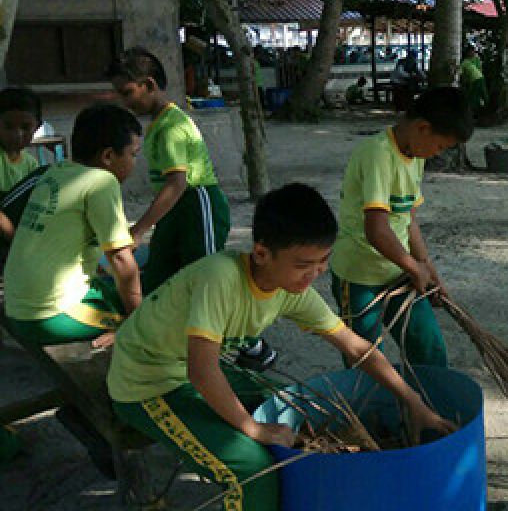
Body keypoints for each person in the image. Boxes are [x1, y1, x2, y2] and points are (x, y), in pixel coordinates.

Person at [107, 183, 455, 511]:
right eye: (304, 265)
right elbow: (202, 371)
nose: (315, 274)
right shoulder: (220, 277)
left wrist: (413, 402)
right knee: (251, 469)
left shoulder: (292, 289)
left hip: (186, 368)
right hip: (146, 383)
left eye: (323, 261)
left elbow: (356, 347)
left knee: (291, 411)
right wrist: (253, 429)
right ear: (261, 253)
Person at [330, 87, 474, 368]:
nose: (437, 153)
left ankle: (428, 408)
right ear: (423, 128)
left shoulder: (415, 157)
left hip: (398, 270)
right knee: (366, 361)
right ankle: (367, 412)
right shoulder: (377, 155)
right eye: (440, 146)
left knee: (429, 350)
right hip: (359, 276)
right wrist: (414, 268)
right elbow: (377, 230)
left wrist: (427, 267)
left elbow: (407, 219)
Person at [3, 103, 143, 345]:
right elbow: (121, 260)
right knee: (156, 316)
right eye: (133, 154)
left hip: (17, 309)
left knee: (115, 287)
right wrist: (139, 320)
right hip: (50, 317)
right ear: (108, 156)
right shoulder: (101, 181)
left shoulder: (54, 172)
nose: (134, 162)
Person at [109, 49, 232, 294]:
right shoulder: (160, 123)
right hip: (173, 208)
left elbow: (177, 183)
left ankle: (228, 332)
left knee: (204, 280)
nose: (125, 102)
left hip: (198, 204)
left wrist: (139, 229)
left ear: (149, 85)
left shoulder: (171, 128)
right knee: (160, 277)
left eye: (128, 93)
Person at [0, 86, 42, 196]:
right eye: (9, 126)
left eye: (26, 127)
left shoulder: (31, 165)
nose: (17, 134)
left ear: (37, 127)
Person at [460, 45, 488, 115]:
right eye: (471, 52)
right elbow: (463, 74)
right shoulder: (465, 62)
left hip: (479, 78)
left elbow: (479, 69)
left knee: (480, 94)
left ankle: (483, 109)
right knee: (476, 95)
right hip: (475, 79)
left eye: (473, 52)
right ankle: (477, 111)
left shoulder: (476, 59)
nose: (473, 53)